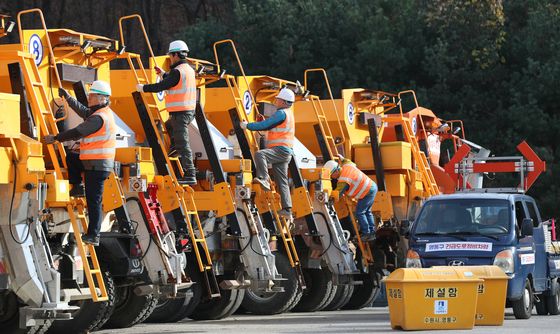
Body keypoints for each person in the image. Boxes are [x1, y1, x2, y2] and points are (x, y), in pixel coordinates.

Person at [43, 80, 116, 246]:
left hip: (97, 166)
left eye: (92, 96)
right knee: (71, 158)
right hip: (93, 162)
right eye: (89, 95)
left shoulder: (99, 118)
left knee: (93, 200)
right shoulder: (100, 113)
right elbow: (84, 111)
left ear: (103, 98)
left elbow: (77, 132)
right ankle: (77, 186)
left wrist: (55, 138)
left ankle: (93, 235)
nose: (89, 98)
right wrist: (69, 99)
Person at [136, 40, 197, 184]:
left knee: (183, 143)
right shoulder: (187, 69)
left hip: (181, 113)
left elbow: (164, 85)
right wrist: (163, 73)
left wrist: (143, 88)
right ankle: (175, 146)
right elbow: (173, 81)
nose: (170, 57)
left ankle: (190, 174)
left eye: (171, 55)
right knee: (170, 126)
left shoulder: (177, 71)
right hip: (187, 111)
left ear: (176, 54)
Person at [240, 88, 295, 218]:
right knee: (282, 181)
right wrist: (263, 123)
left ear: (283, 101)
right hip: (286, 151)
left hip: (281, 149)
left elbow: (266, 125)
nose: (276, 101)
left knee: (260, 154)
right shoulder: (288, 114)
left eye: (278, 99)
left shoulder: (281, 113)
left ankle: (263, 178)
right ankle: (287, 209)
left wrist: (247, 126)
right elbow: (270, 126)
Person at [324, 158, 378, 240]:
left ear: (336, 171)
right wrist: (341, 158)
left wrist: (328, 198)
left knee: (360, 212)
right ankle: (372, 232)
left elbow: (337, 193)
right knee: (367, 211)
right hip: (371, 187)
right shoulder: (347, 166)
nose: (332, 178)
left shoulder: (343, 180)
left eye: (331, 175)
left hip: (367, 192)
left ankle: (367, 233)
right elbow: (347, 161)